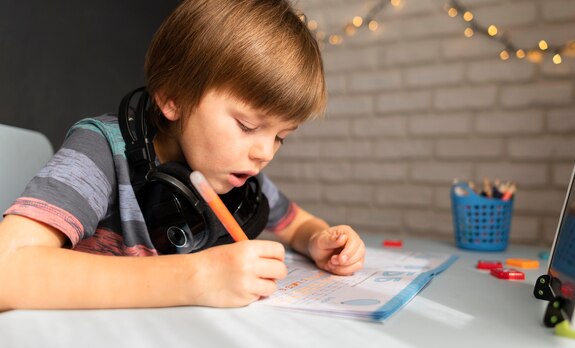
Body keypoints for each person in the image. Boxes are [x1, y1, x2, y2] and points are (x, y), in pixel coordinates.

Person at [0, 0, 365, 311]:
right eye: (247, 126)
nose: (264, 153)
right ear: (173, 98)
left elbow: (297, 225)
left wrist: (320, 239)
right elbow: (6, 270)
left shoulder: (234, 172)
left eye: (281, 137)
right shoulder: (100, 151)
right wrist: (199, 277)